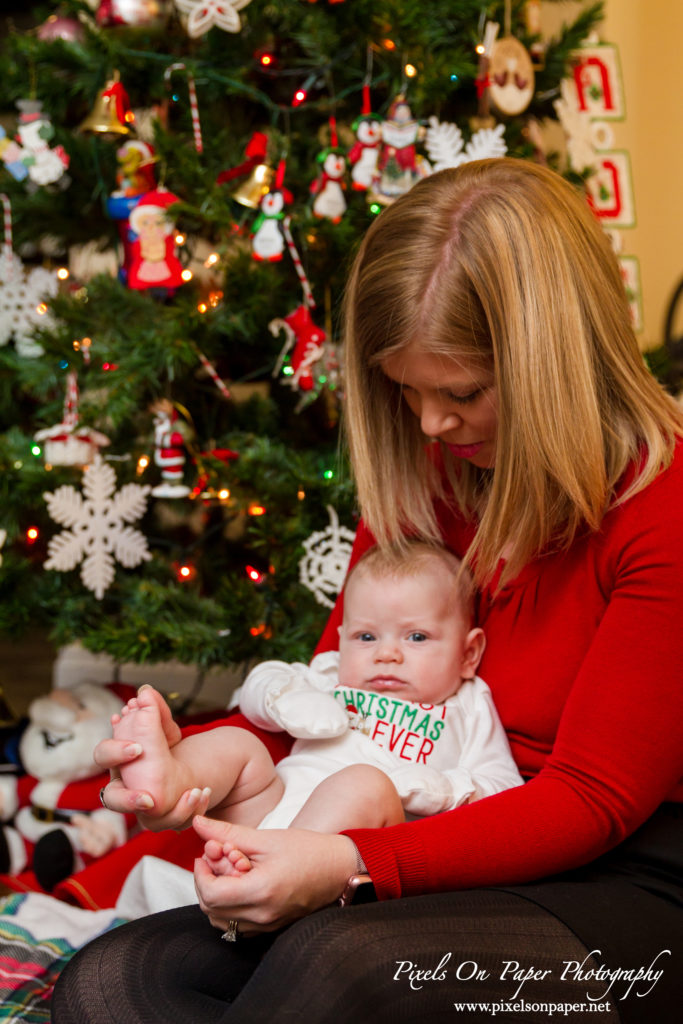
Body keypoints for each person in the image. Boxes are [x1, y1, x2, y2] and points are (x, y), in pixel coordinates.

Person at [52, 158, 683, 1023]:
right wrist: (184, 765)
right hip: (406, 832)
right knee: (111, 983)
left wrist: (350, 860)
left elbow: (591, 801)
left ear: (554, 367)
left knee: (337, 970)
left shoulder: (662, 508)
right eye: (405, 391)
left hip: (628, 885)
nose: (428, 425)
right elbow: (330, 695)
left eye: (460, 393)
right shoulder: (436, 467)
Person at [109, 543, 522, 868]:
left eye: (416, 638)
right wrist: (285, 700)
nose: (386, 655)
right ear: (341, 639)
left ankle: (277, 869)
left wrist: (442, 789)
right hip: (268, 812)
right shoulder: (330, 672)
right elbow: (259, 686)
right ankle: (167, 779)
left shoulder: (469, 706)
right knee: (241, 745)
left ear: (469, 654)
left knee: (364, 783)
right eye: (365, 637)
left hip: (345, 855)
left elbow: (507, 793)